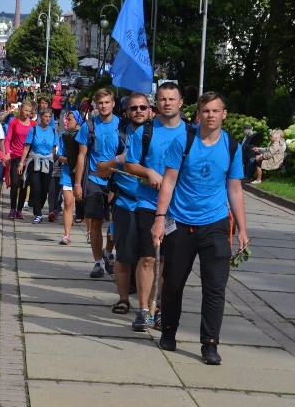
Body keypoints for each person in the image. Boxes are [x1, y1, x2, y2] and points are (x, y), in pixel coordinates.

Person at [151, 91, 249, 365]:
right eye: (206, 111)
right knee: (173, 283)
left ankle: (210, 344)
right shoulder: (183, 140)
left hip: (216, 225)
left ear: (223, 114)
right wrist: (160, 219)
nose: (210, 116)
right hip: (181, 224)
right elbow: (168, 182)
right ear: (198, 115)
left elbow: (235, 189)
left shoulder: (231, 145)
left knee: (215, 288)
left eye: (215, 111)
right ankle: (168, 330)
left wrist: (242, 228)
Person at [124, 82, 188, 332]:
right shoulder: (145, 132)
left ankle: (159, 307)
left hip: (178, 208)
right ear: (156, 104)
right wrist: (149, 172)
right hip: (148, 203)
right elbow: (130, 164)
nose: (167, 103)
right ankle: (142, 310)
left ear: (180, 103)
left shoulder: (190, 134)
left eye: (172, 99)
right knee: (149, 257)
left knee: (171, 263)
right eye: (162, 99)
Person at [96, 92, 152, 328]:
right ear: (127, 112)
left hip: (151, 204)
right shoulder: (118, 135)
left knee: (149, 257)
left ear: (150, 110)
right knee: (125, 255)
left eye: (143, 107)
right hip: (125, 203)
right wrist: (119, 159)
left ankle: (148, 305)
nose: (138, 111)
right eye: (134, 108)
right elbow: (101, 169)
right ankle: (122, 299)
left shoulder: (156, 134)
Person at [74, 88, 118, 279]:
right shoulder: (89, 126)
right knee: (96, 223)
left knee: (117, 223)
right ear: (96, 105)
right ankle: (98, 262)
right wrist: (77, 184)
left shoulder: (121, 125)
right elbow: (82, 155)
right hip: (93, 179)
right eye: (100, 103)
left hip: (116, 180)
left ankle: (108, 251)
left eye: (107, 102)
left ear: (113, 103)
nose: (104, 106)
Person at [18, 109, 59, 223]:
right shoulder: (34, 130)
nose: (47, 119)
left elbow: (55, 149)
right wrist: (22, 163)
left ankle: (38, 208)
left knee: (44, 190)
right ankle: (38, 214)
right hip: (34, 161)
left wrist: (54, 160)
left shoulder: (53, 131)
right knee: (36, 188)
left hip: (47, 162)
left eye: (49, 117)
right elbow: (26, 147)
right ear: (40, 117)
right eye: (45, 116)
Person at [5, 100, 37, 219]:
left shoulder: (33, 124)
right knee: (15, 184)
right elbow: (8, 139)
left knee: (24, 184)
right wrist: (7, 153)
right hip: (15, 156)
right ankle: (12, 208)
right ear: (20, 110)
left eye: (29, 111)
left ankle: (19, 210)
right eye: (25, 110)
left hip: (28, 158)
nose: (27, 113)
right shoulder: (14, 122)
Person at [57, 111, 83, 244]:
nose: (67, 121)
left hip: (82, 174)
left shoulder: (84, 135)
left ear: (78, 120)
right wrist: (71, 160)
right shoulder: (64, 137)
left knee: (85, 205)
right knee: (68, 203)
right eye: (66, 119)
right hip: (67, 173)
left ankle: (90, 232)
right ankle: (66, 235)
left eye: (70, 119)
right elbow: (60, 156)